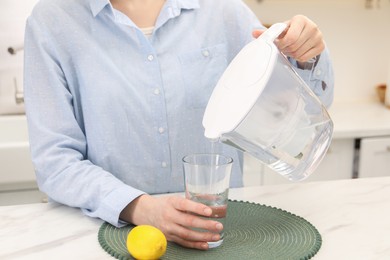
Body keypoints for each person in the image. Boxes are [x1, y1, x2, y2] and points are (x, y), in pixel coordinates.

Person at [24, 0, 334, 250]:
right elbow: (56, 163)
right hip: (104, 236)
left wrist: (307, 55)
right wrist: (140, 208)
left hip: (220, 234)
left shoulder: (225, 11)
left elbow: (296, 104)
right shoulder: (52, 21)